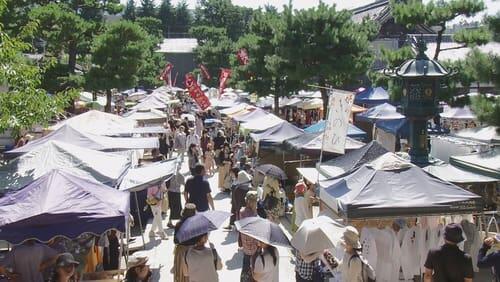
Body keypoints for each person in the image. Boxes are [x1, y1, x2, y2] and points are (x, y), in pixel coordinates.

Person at [173, 204, 198, 282]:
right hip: (194, 252)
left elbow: (175, 241)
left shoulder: (179, 224)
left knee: (181, 275)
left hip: (181, 252)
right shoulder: (197, 225)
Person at [239, 191, 259, 282]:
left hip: (245, 243)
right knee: (254, 267)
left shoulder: (242, 211)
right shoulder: (253, 215)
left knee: (245, 265)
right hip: (253, 245)